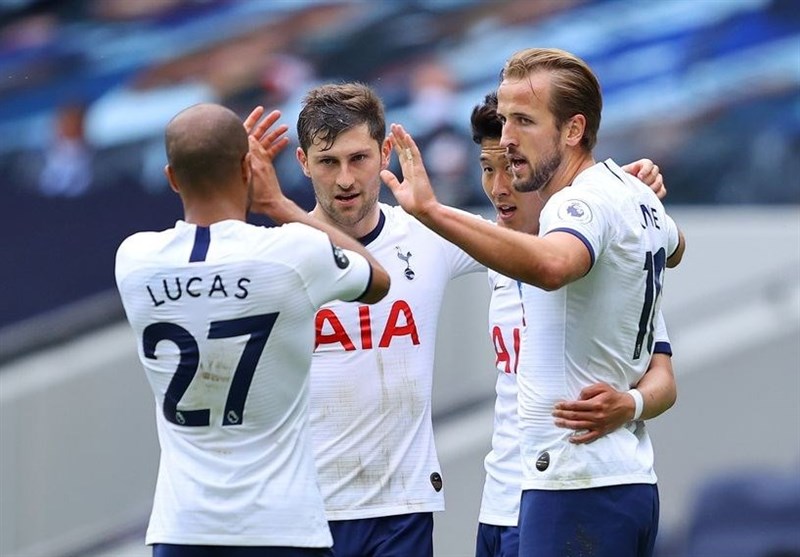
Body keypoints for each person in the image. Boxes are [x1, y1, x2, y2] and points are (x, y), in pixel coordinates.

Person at [288, 81, 677, 557]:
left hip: (427, 506)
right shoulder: (280, 255)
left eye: (358, 159)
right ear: (303, 162)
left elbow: (655, 326)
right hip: (316, 508)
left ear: (385, 153)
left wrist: (620, 198)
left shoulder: (445, 236)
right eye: (328, 162)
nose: (345, 179)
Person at [114, 102, 390, 557]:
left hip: (183, 529)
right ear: (248, 169)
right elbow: (377, 279)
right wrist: (276, 204)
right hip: (281, 527)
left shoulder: (134, 260)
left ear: (172, 178)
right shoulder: (293, 254)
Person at [469, 92, 677, 557]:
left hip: (570, 486)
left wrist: (631, 404)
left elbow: (663, 378)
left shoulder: (605, 250)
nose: (500, 187)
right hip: (500, 502)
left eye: (511, 166)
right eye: (487, 168)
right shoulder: (488, 249)